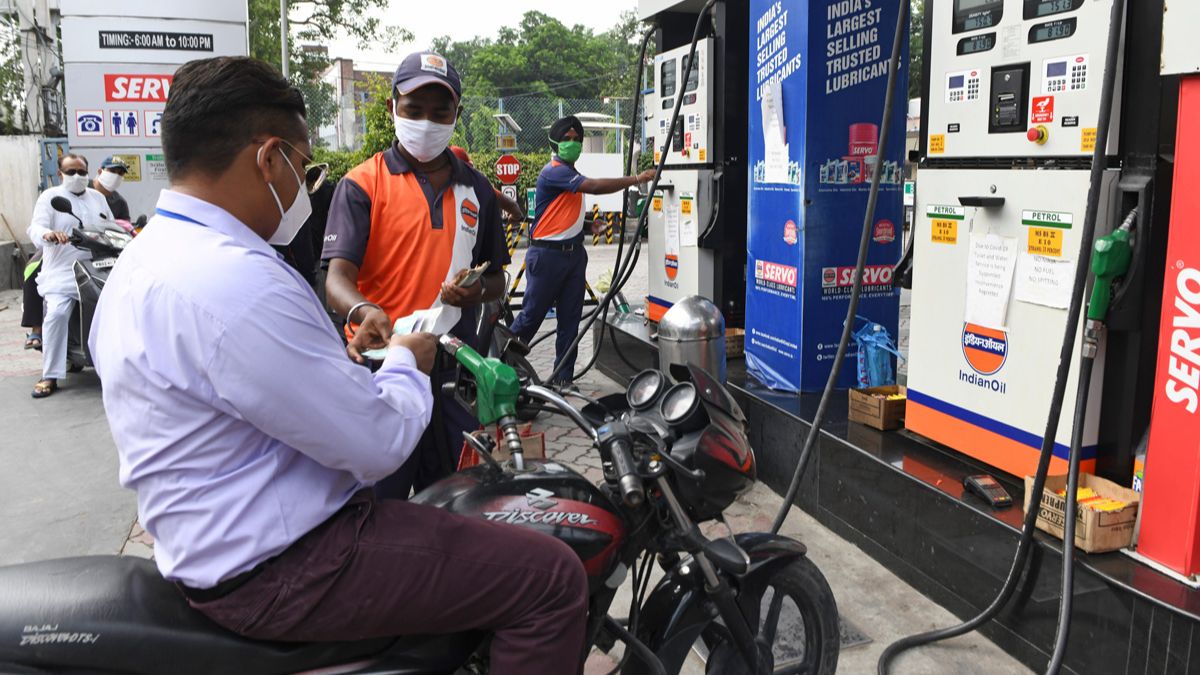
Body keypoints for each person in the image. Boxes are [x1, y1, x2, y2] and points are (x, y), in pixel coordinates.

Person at [89, 56, 586, 675]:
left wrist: (335, 361)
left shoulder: (146, 261)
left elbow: (257, 387)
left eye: (441, 110)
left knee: (453, 502)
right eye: (302, 166)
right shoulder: (244, 278)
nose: (304, 184)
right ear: (269, 159)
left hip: (227, 532)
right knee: (551, 575)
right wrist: (403, 360)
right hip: (291, 556)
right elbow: (375, 444)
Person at [323, 52, 510, 498]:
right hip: (384, 370)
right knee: (378, 505)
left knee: (455, 502)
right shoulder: (362, 185)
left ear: (457, 115)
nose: (426, 122)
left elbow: (498, 279)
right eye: (414, 110)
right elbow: (336, 279)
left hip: (451, 375)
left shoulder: (477, 189)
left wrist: (475, 291)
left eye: (439, 112)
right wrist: (364, 309)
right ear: (393, 108)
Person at [509, 115, 654, 386]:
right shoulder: (554, 171)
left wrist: (587, 226)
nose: (572, 144)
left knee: (570, 321)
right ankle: (500, 367)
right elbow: (596, 187)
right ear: (555, 143)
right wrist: (636, 178)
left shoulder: (570, 174)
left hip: (573, 255)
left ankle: (563, 379)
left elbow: (558, 214)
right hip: (547, 257)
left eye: (577, 140)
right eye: (566, 140)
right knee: (530, 317)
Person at [26, 153, 114, 398]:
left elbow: (111, 225)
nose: (77, 176)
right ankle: (49, 374)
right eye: (71, 172)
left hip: (97, 266)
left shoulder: (98, 198)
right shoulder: (50, 197)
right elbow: (35, 227)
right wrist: (49, 235)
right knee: (56, 313)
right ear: (60, 174)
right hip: (63, 270)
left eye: (82, 172)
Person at [449, 145, 525, 223]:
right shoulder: (479, 185)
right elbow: (512, 207)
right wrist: (515, 216)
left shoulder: (479, 186)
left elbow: (512, 206)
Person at [93, 156, 131, 221]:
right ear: (100, 171)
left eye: (120, 173)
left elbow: (125, 227)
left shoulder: (120, 203)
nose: (116, 176)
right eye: (112, 171)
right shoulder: (83, 189)